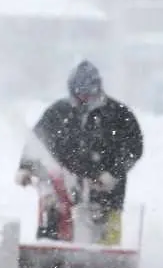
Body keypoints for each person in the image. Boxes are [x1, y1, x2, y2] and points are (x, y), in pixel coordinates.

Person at [15, 60, 143, 245]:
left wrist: (113, 174)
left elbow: (133, 148)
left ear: (97, 89)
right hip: (62, 191)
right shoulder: (58, 112)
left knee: (105, 245)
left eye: (87, 93)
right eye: (78, 93)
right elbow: (37, 142)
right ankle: (50, 264)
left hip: (106, 194)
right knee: (52, 235)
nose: (83, 98)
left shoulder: (118, 115)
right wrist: (26, 167)